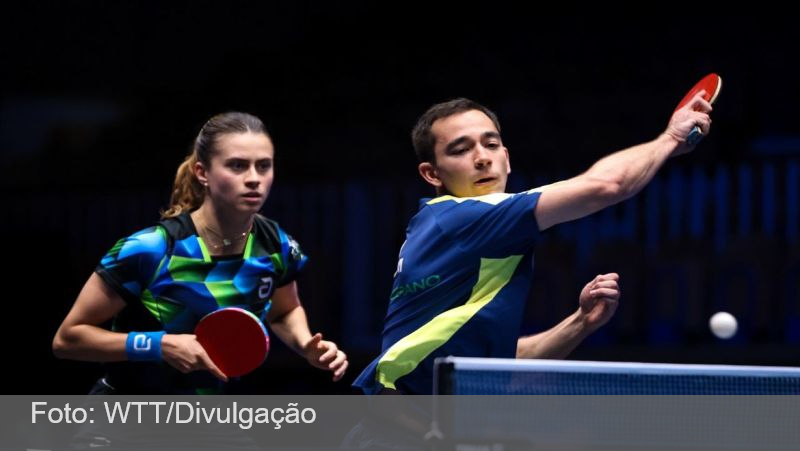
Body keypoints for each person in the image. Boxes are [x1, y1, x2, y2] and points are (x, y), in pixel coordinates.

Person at [354, 94, 712, 395]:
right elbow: (607, 185)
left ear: (506, 158)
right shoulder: (465, 218)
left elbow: (499, 365)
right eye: (461, 150)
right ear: (432, 173)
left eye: (491, 144)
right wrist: (670, 139)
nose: (482, 157)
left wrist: (580, 323)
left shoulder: (448, 231)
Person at [53, 111, 348, 394]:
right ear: (202, 172)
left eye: (263, 166)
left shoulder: (275, 244)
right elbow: (68, 339)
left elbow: (284, 312)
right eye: (237, 166)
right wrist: (160, 345)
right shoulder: (151, 248)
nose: (254, 178)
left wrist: (306, 345)